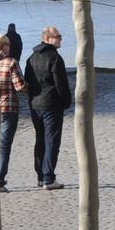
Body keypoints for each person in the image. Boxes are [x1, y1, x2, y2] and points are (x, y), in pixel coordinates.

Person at [24, 25, 71, 189]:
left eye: (60, 36)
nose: (60, 39)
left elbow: (26, 81)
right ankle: (48, 178)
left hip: (35, 104)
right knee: (51, 141)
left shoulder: (31, 58)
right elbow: (61, 84)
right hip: (51, 105)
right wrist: (66, 102)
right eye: (57, 36)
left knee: (40, 140)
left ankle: (40, 175)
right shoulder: (55, 58)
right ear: (47, 39)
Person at [0, 33, 26, 193]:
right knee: (4, 146)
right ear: (5, 46)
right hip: (8, 107)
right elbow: (20, 86)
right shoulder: (11, 62)